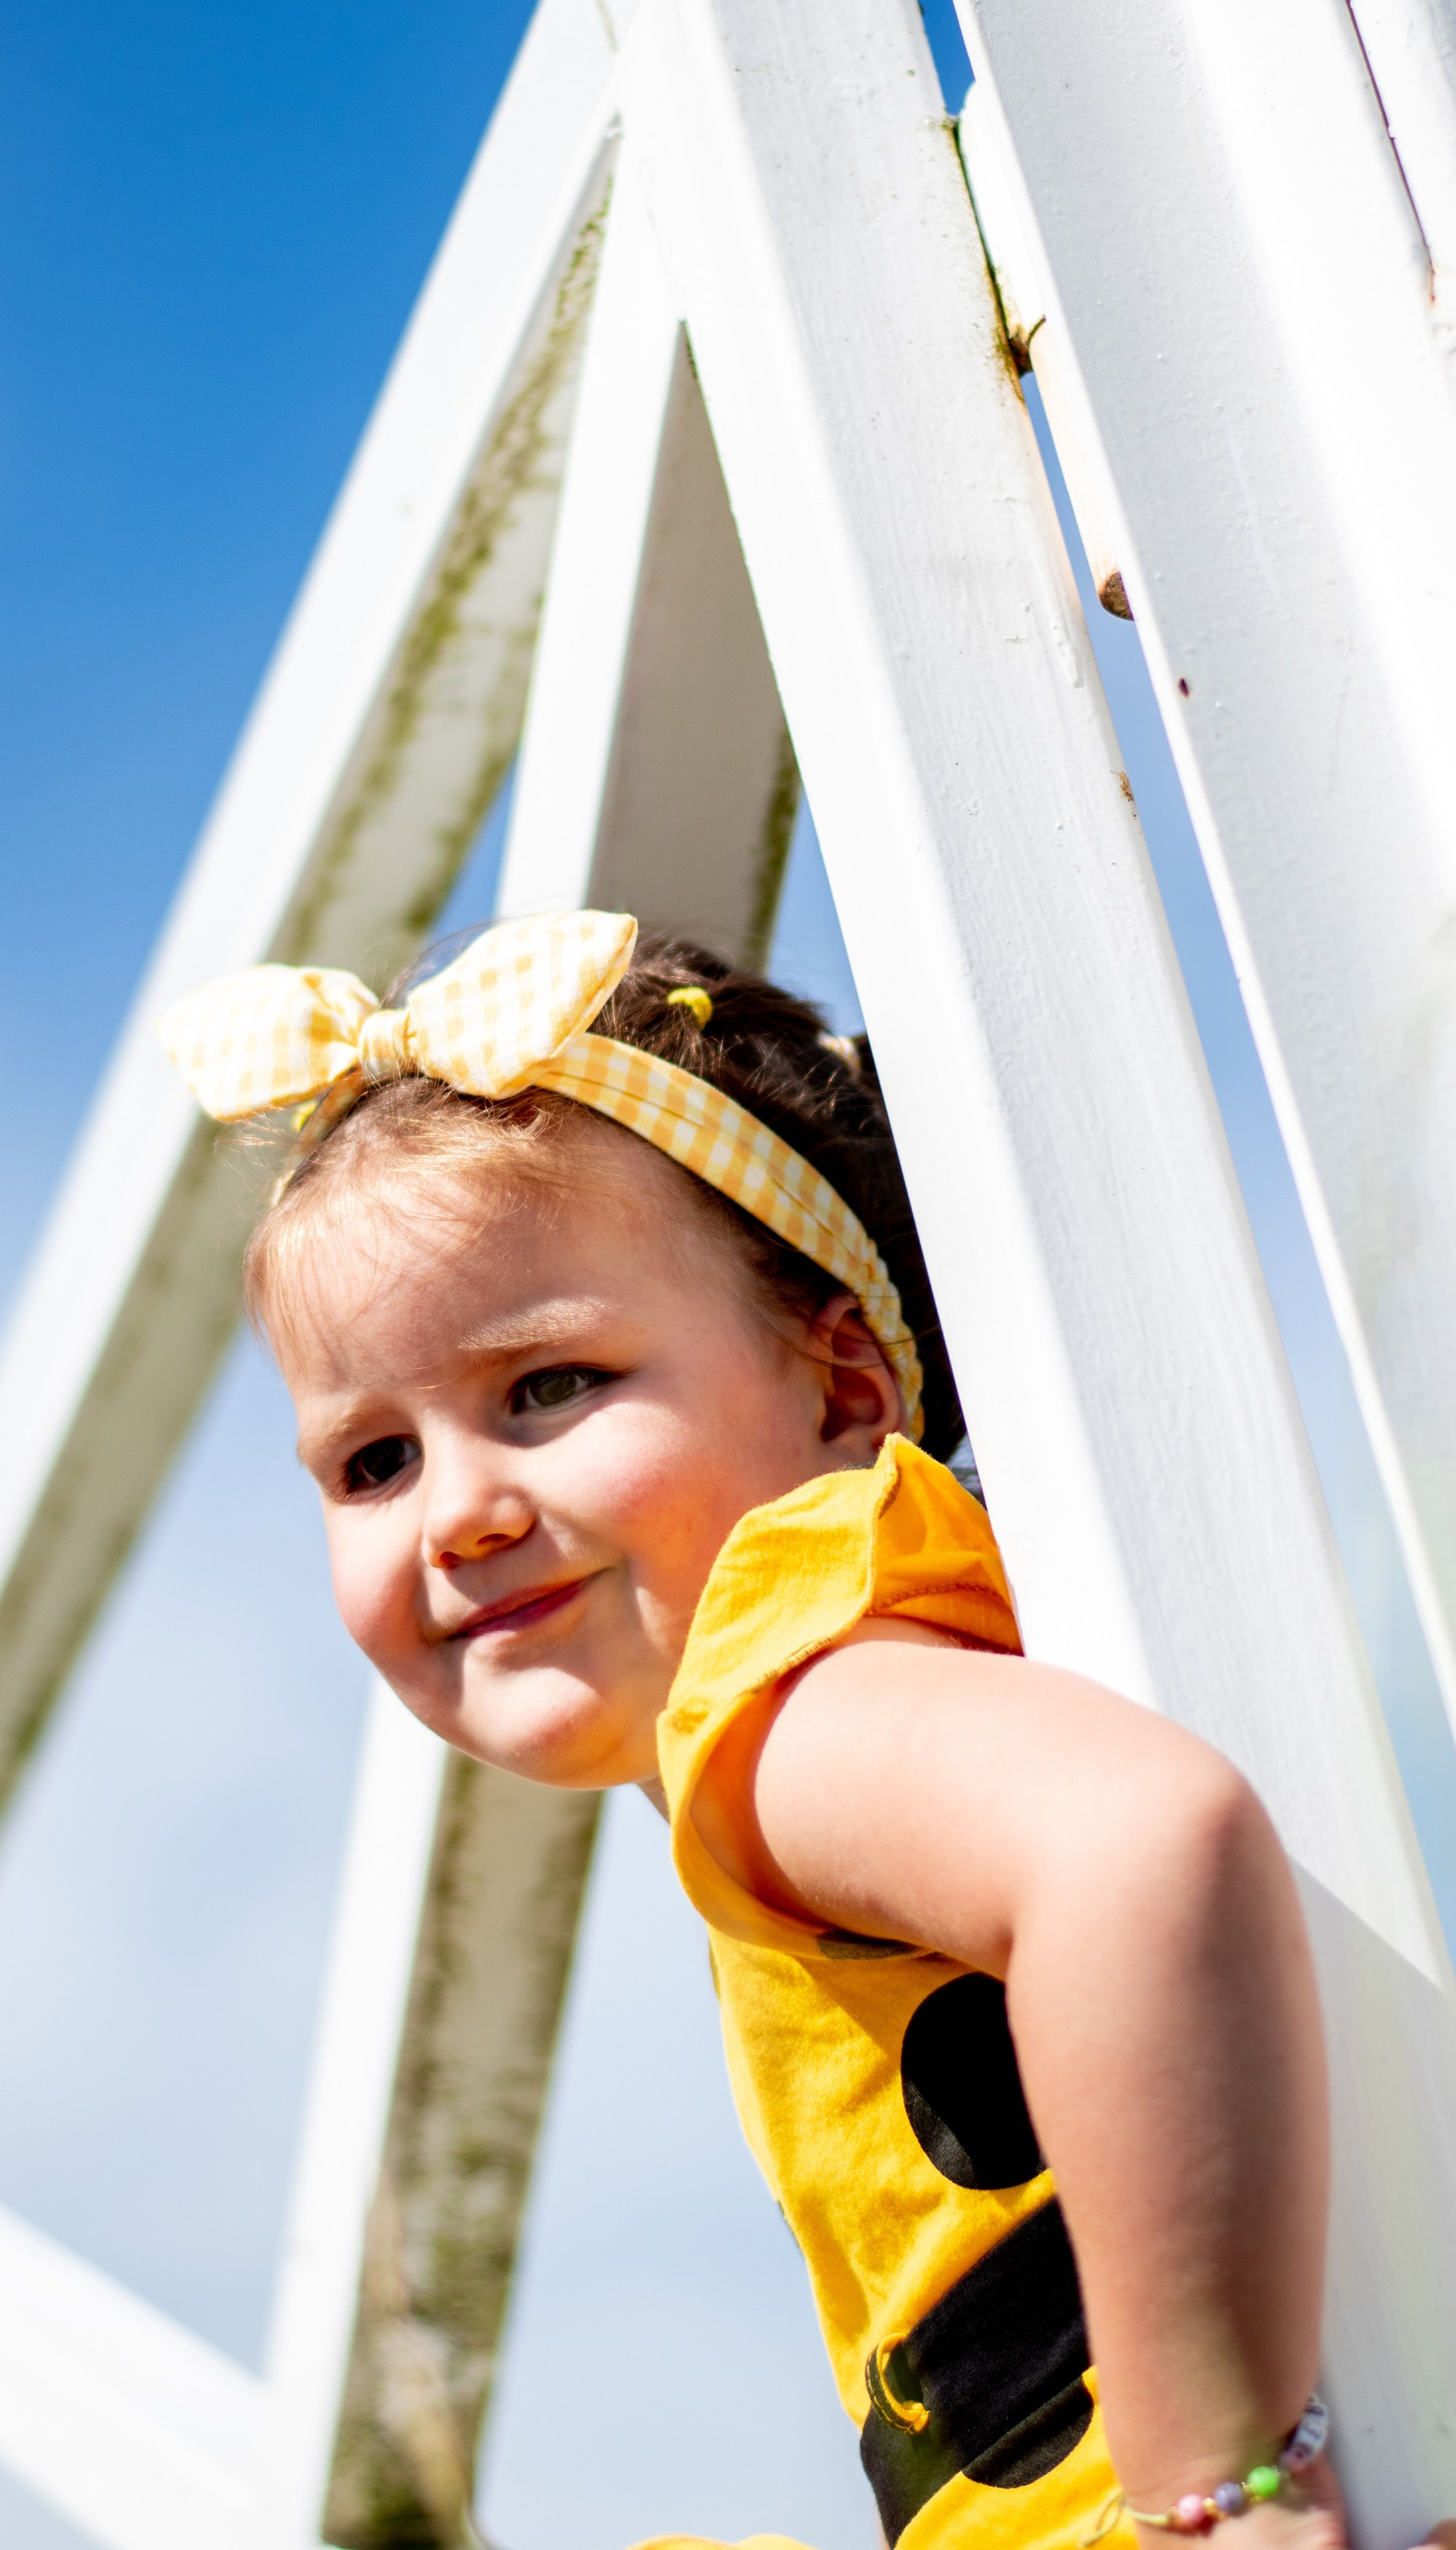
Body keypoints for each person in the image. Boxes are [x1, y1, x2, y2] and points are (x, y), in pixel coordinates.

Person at [161, 908, 1446, 2550]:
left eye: (545, 1387)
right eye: (369, 1463)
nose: (454, 1516)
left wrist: (1224, 2494)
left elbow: (1138, 1847)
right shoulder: (853, 1680)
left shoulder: (780, 1702)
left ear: (842, 1389)